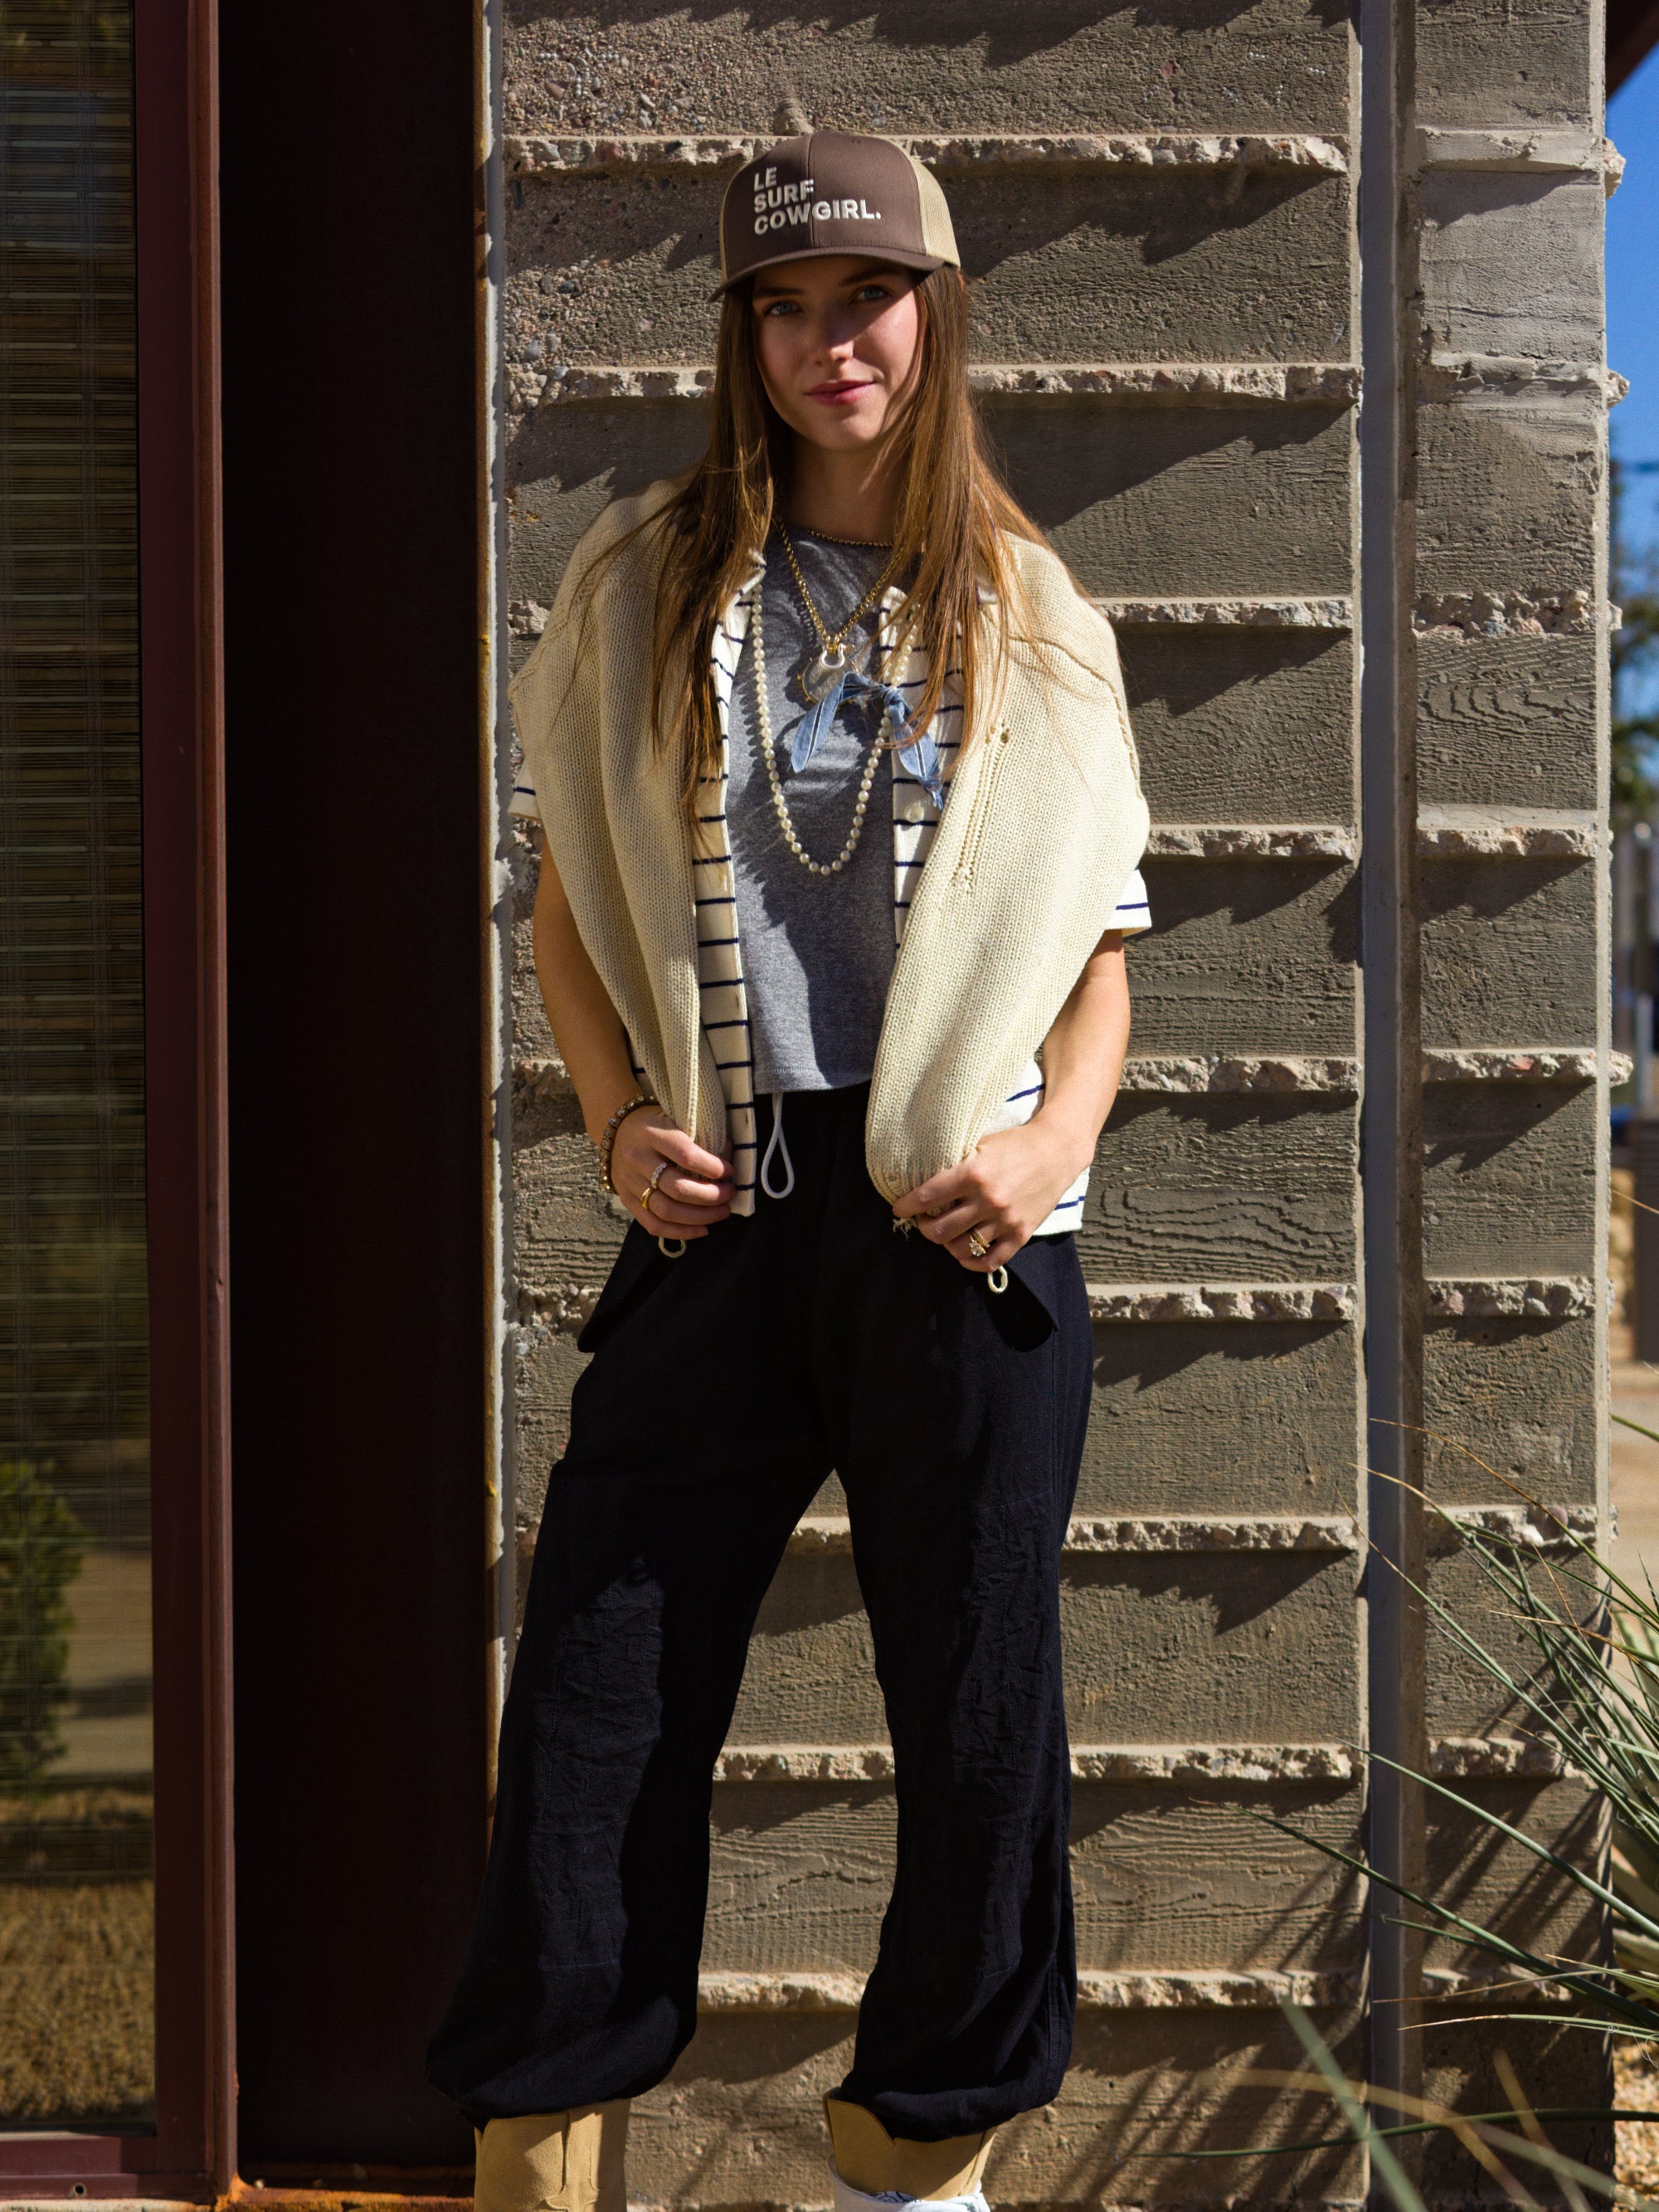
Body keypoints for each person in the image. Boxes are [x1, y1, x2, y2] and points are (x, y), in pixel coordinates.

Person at [426, 129, 1151, 2212]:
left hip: (962, 1219)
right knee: (600, 1686)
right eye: (783, 306)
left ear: (934, 315)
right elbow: (567, 900)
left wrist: (1048, 1144)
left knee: (980, 1695)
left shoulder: (1035, 613)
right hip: (722, 1197)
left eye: (865, 300)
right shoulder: (642, 577)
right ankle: (543, 2150)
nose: (828, 342)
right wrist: (605, 1115)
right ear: (738, 335)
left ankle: (915, 2165)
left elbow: (1101, 959)